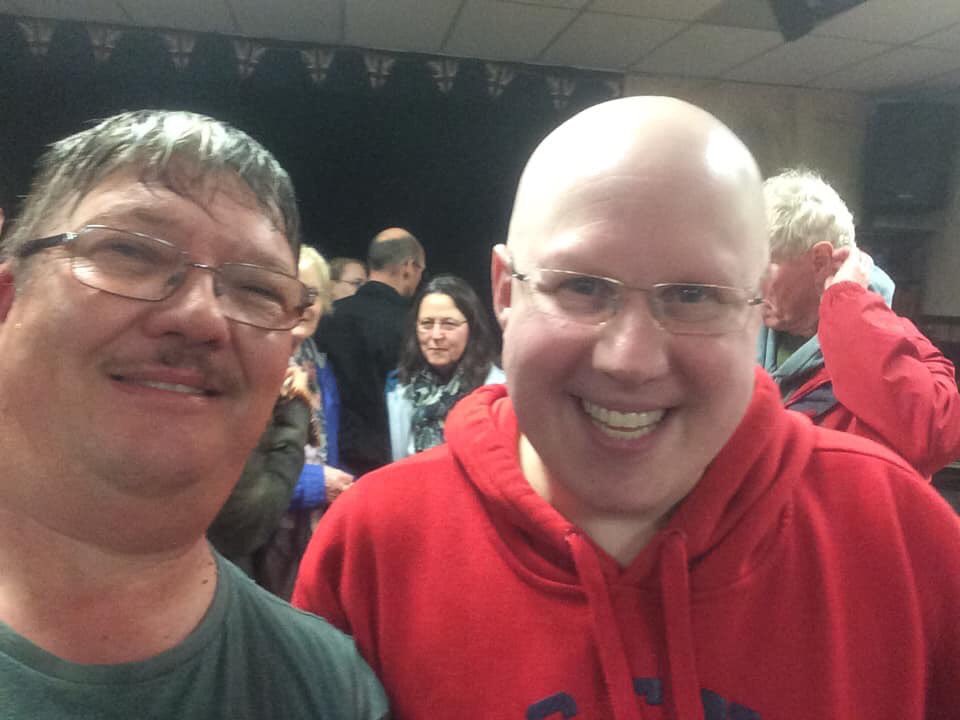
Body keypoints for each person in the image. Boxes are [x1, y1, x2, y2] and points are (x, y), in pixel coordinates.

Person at [293, 97, 960, 719]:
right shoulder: (374, 548)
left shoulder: (901, 540)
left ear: (757, 305)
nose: (631, 359)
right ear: (503, 291)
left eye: (694, 295)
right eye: (583, 286)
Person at [0, 110, 387, 719]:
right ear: (7, 301)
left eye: (257, 288)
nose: (201, 317)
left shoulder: (331, 691)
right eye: (130, 251)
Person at [759, 168, 960, 478]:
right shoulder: (737, 332)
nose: (747, 278)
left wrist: (846, 303)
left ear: (820, 261)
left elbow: (935, 437)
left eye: (763, 262)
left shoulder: (903, 342)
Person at [317, 228, 426, 475]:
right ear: (408, 267)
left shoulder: (327, 317)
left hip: (331, 464)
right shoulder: (412, 326)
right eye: (420, 270)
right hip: (390, 466)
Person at [386, 274, 504, 460]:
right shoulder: (399, 389)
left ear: (472, 328)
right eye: (426, 324)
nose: (436, 335)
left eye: (449, 324)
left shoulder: (500, 392)